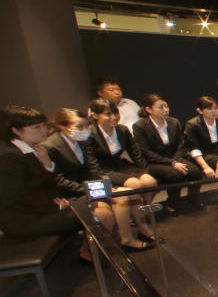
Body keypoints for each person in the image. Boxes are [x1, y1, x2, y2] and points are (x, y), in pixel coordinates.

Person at [0, 105, 87, 248]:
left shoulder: (32, 149)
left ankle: (90, 255)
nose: (44, 131)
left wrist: (48, 165)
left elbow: (46, 183)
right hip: (23, 220)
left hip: (40, 210)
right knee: (98, 213)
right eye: (36, 128)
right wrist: (55, 206)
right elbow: (12, 199)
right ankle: (90, 257)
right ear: (15, 130)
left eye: (44, 126)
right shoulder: (10, 156)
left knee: (98, 204)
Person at [87, 98, 157, 250]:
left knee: (150, 182)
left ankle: (138, 217)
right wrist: (105, 182)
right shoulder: (90, 134)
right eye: (107, 114)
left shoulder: (122, 130)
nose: (113, 117)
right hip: (104, 171)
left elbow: (136, 153)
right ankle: (140, 227)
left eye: (115, 114)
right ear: (94, 116)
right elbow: (92, 165)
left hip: (121, 166)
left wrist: (144, 170)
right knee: (136, 185)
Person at [44, 108, 117, 233]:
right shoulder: (50, 147)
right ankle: (92, 250)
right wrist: (92, 189)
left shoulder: (82, 141)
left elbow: (91, 168)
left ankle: (125, 239)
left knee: (124, 197)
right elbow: (58, 180)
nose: (85, 130)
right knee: (105, 213)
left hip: (85, 187)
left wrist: (101, 184)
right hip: (68, 193)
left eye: (86, 126)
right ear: (63, 127)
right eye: (79, 126)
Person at [133, 94, 204, 212]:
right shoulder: (140, 126)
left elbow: (181, 145)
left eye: (166, 106)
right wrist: (171, 162)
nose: (165, 110)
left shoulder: (174, 122)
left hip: (174, 158)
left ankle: (193, 198)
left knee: (196, 172)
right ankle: (173, 202)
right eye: (160, 107)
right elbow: (146, 151)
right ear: (148, 109)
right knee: (176, 174)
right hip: (154, 162)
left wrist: (175, 160)